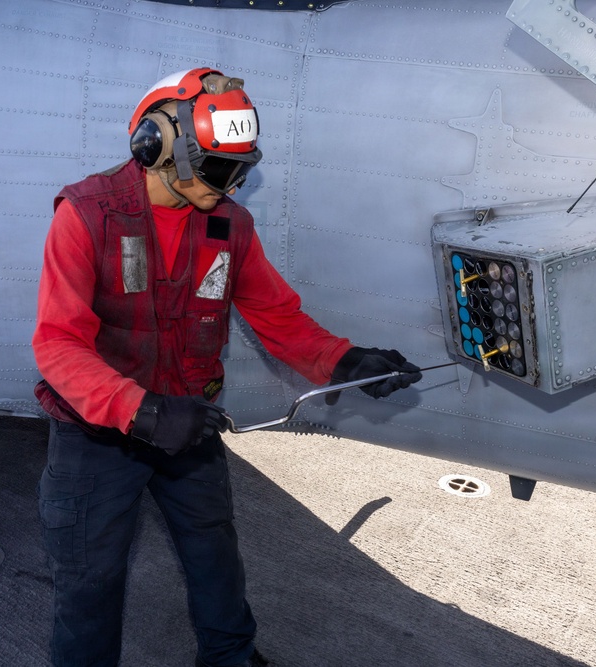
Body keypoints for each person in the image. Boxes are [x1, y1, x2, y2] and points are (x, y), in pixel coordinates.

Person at [31, 67, 421, 667]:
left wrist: (344, 361)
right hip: (98, 437)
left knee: (215, 556)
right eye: (219, 169)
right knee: (90, 581)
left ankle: (231, 659)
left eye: (241, 169)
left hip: (187, 424)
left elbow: (278, 317)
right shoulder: (86, 215)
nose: (232, 185)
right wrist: (139, 410)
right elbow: (58, 345)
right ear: (156, 147)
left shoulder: (229, 226)